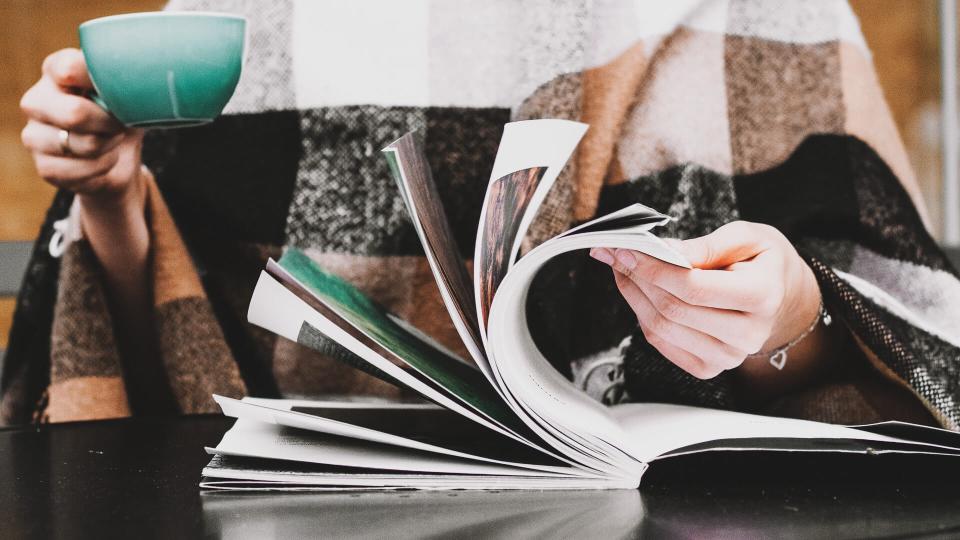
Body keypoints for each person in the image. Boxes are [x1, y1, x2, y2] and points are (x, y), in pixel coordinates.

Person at [4, 1, 957, 429]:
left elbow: (897, 354)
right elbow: (163, 372)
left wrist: (791, 314)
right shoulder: (246, 19)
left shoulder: (771, 12)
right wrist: (112, 195)